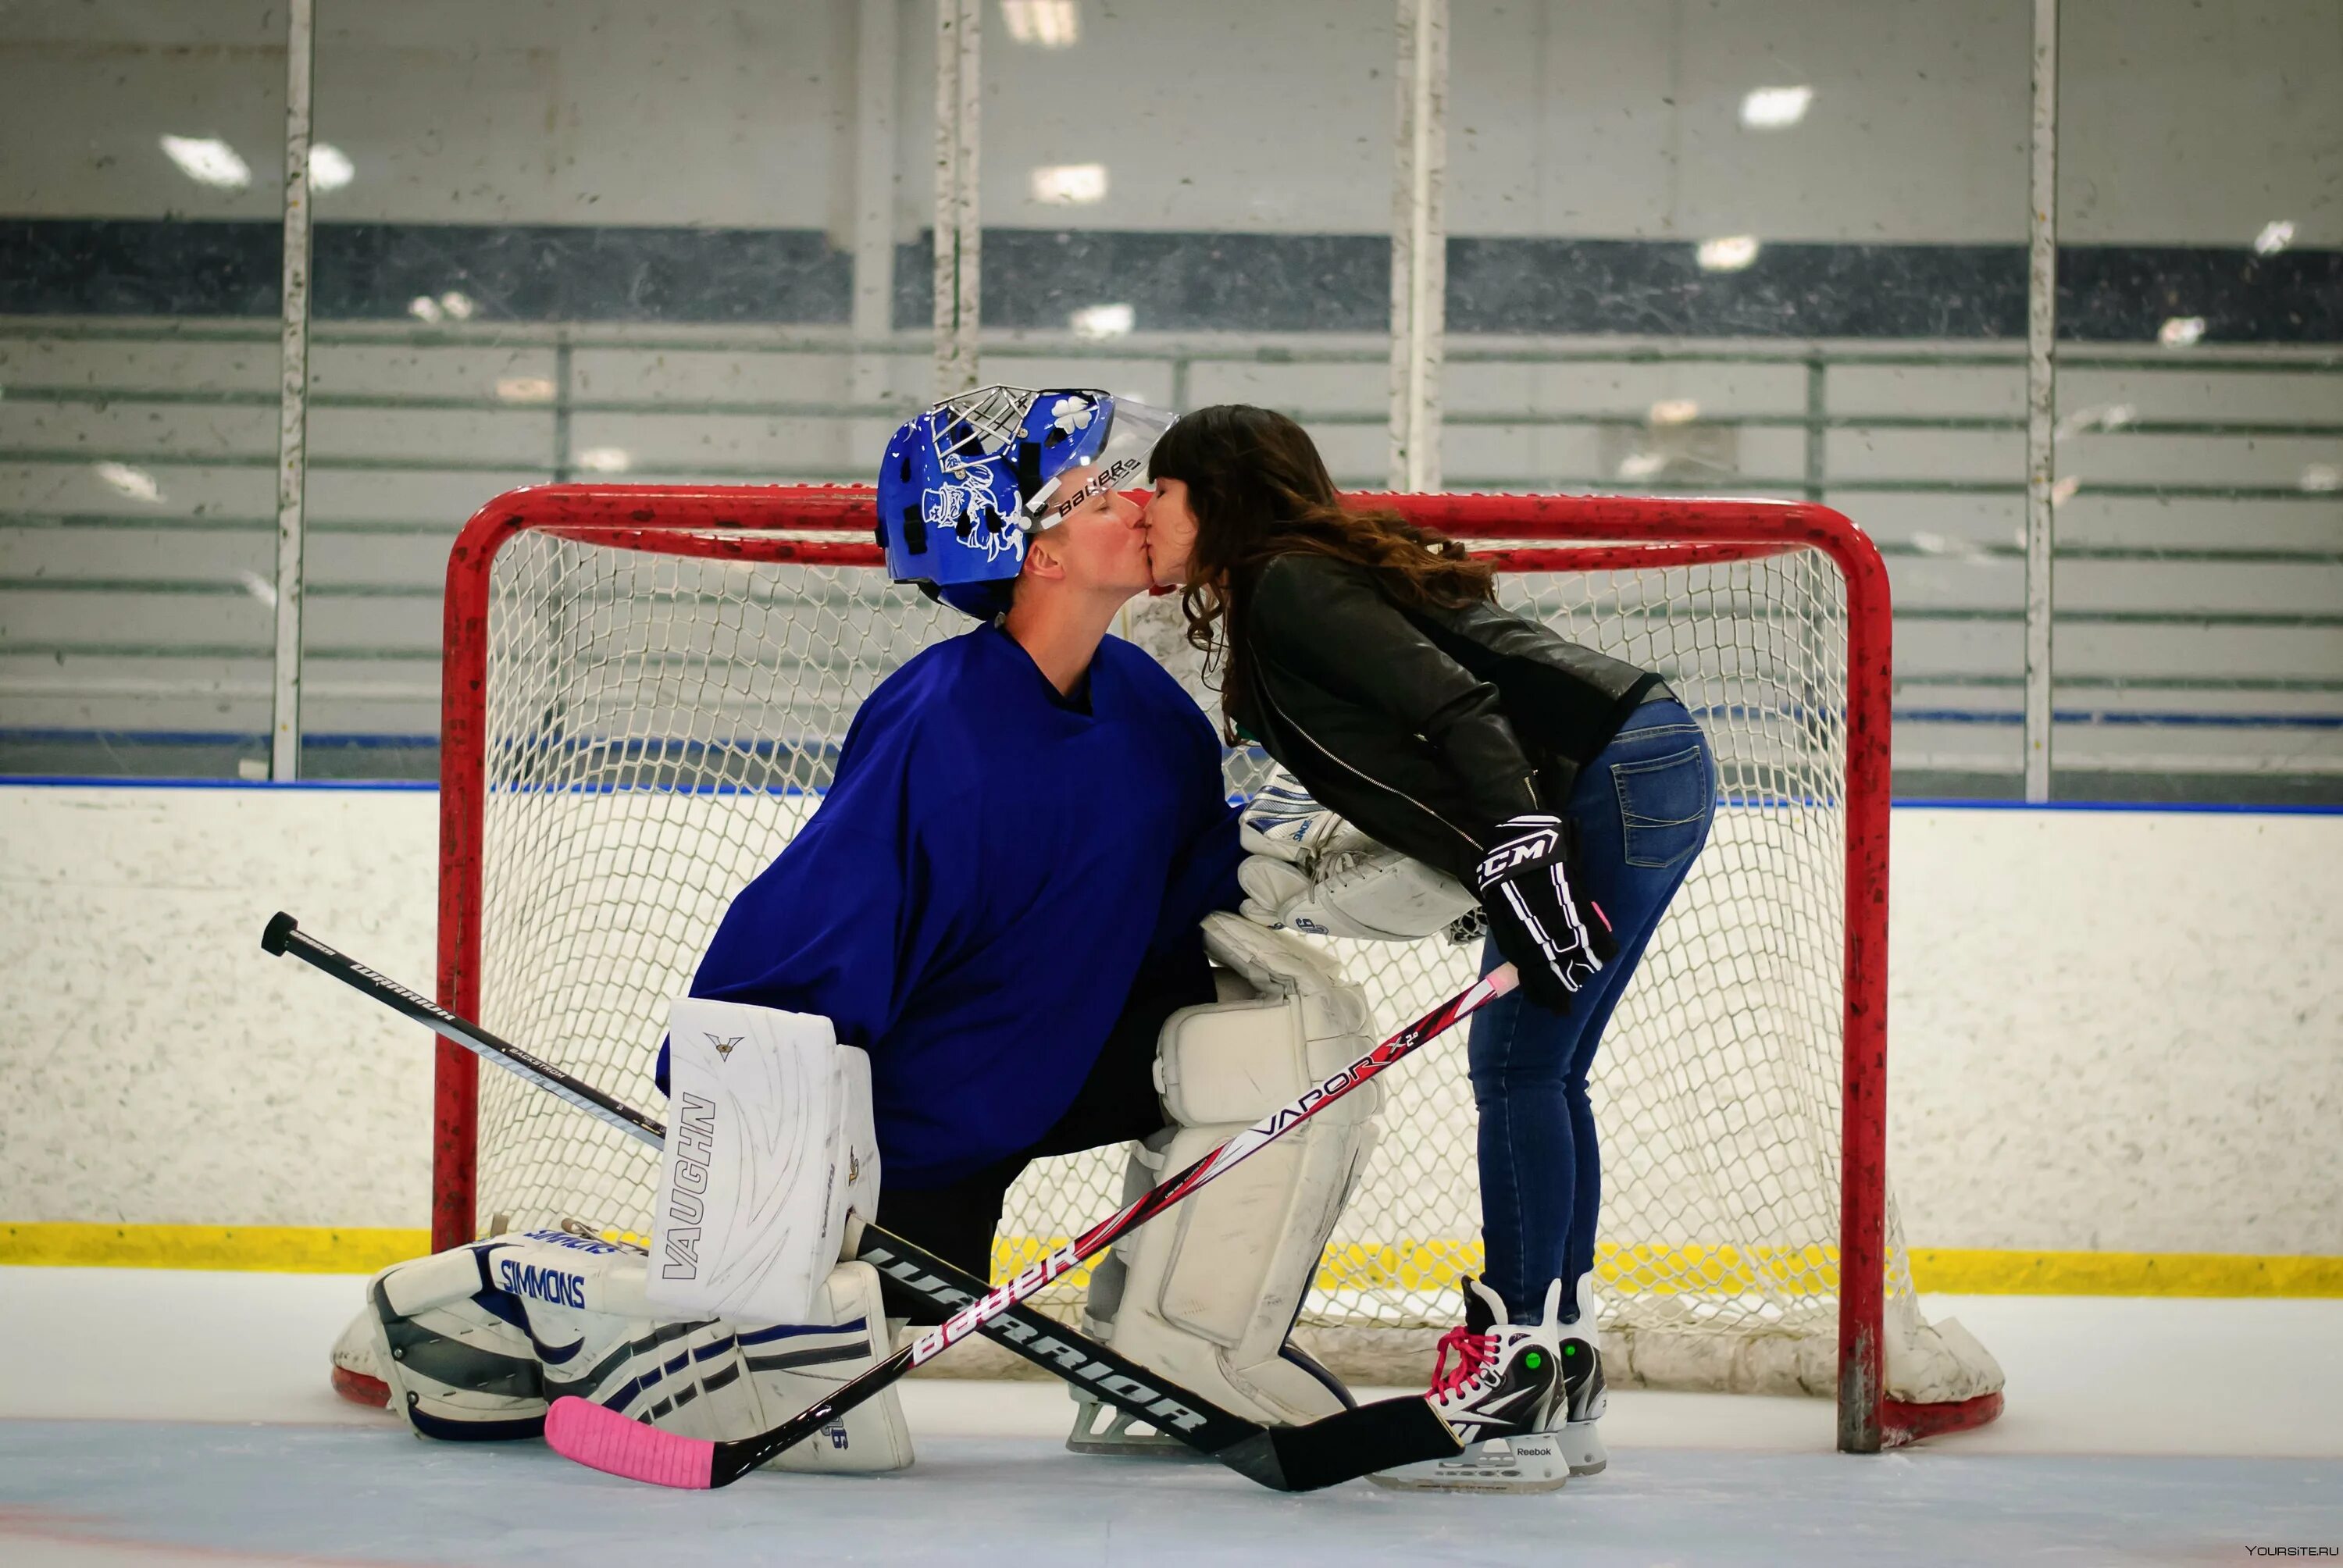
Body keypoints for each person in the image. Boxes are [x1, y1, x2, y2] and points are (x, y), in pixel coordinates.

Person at [330, 389, 1386, 1470]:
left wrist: (1356, 853)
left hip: (1039, 1070)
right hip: (902, 1138)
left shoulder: (1144, 706)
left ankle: (1184, 1350)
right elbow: (793, 964)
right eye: (1096, 492)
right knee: (814, 1376)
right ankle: (515, 1295)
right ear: (1039, 554)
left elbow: (1195, 897)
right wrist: (758, 1190)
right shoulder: (941, 726)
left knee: (1277, 1037)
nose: (1135, 504)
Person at [1138, 403, 1718, 1492]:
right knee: (1549, 1070)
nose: (1143, 514)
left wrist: (1524, 844)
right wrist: (1497, 852)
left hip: (1606, 777)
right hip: (1636, 764)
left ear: (1213, 495)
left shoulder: (1289, 583)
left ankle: (1513, 1394)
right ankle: (1556, 1374)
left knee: (1519, 1068)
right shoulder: (1290, 582)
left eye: (1159, 493)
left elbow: (1454, 704)